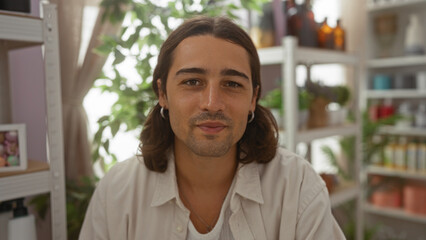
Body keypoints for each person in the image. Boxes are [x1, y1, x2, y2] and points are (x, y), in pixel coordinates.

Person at [80, 16, 346, 240]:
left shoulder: (296, 187)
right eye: (193, 82)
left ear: (253, 99)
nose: (212, 104)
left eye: (232, 84)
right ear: (163, 94)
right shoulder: (117, 193)